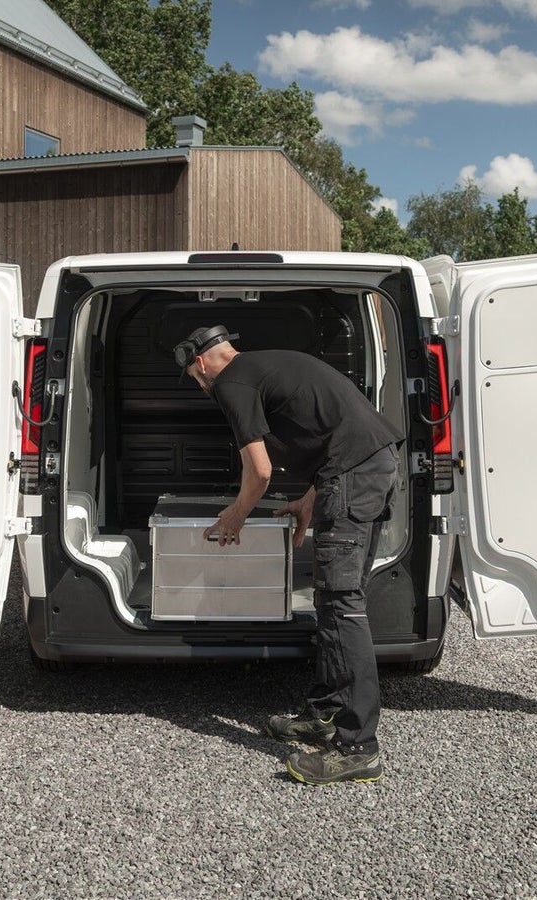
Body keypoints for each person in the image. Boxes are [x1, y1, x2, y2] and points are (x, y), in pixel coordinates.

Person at [174, 324, 404, 785]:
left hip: (352, 477)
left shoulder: (232, 382)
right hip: (364, 468)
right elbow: (335, 432)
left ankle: (359, 746)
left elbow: (258, 472)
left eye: (195, 379)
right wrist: (308, 500)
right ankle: (323, 714)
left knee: (342, 606)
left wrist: (236, 516)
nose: (200, 388)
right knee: (332, 601)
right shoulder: (267, 363)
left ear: (200, 363)